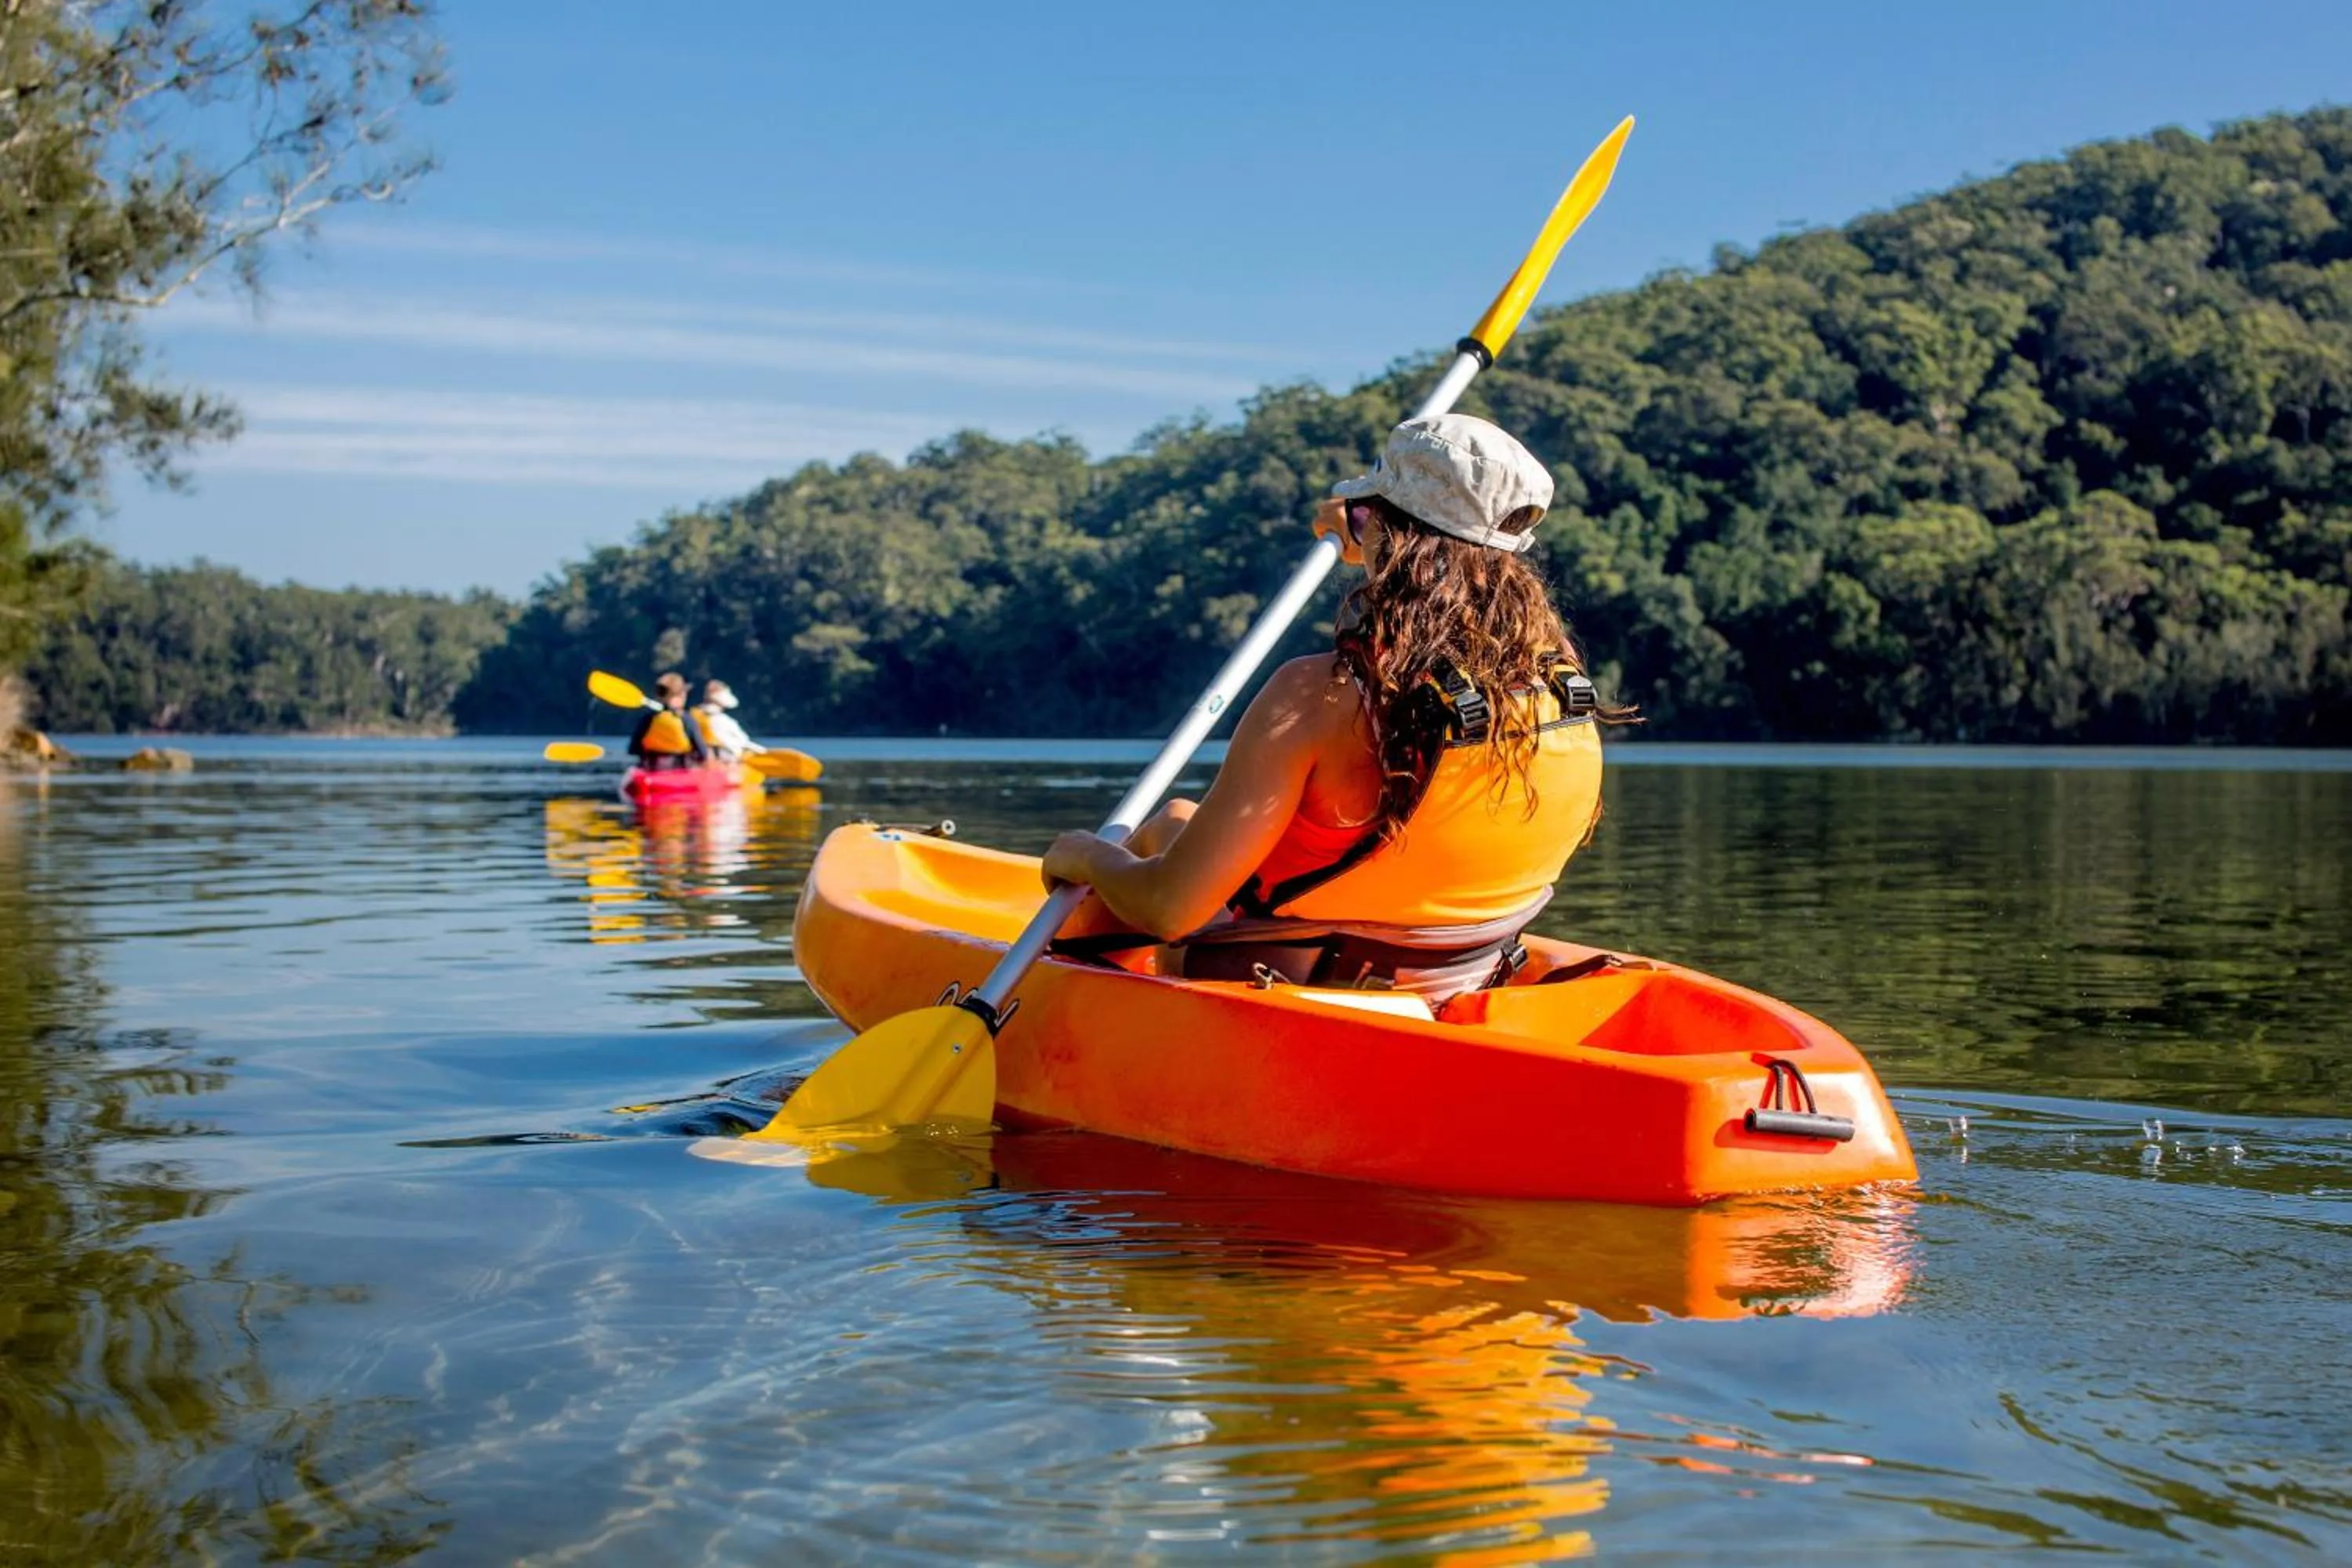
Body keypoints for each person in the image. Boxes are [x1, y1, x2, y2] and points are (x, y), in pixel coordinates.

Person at [1040, 413, 1632, 1001]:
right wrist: (1366, 529)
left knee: (1163, 830)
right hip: (1465, 977)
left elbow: (1169, 909)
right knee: (1178, 820)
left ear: (1392, 539)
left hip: (1295, 987)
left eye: (1368, 518)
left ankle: (1066, 998)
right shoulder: (1556, 679)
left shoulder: (1318, 694)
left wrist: (1086, 856)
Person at [628, 673, 711, 770]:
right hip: (681, 772)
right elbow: (703, 754)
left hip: (651, 771)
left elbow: (633, 749)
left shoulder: (648, 719)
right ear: (681, 695)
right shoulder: (687, 720)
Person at [695, 680, 760, 762]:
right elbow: (744, 742)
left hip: (703, 759)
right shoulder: (724, 721)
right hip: (730, 760)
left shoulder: (693, 717)